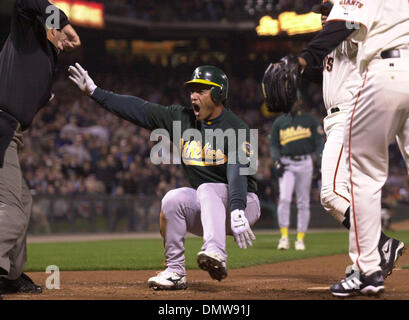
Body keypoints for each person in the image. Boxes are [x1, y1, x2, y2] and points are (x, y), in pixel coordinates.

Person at [68, 63, 261, 290]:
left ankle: (216, 252)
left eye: (201, 90)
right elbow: (139, 109)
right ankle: (175, 272)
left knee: (208, 188)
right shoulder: (180, 118)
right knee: (173, 199)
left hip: (243, 205)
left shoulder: (237, 127)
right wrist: (95, 91)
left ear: (219, 93)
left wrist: (237, 207)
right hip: (209, 207)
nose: (193, 95)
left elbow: (237, 169)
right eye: (192, 90)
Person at [296, 0, 409, 297]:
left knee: (333, 192)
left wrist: (302, 58)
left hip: (354, 110)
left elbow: (347, 23)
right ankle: (377, 249)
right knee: (338, 191)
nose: (324, 16)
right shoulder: (334, 42)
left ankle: (375, 253)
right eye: (321, 13)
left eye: (326, 10)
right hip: (343, 113)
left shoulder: (349, 30)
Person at [0, 0, 81, 296]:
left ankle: (10, 276)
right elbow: (25, 2)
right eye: (56, 29)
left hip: (10, 133)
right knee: (10, 208)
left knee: (22, 201)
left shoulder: (46, 61)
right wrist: (64, 21)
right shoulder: (26, 34)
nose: (61, 37)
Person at [268, 100, 324, 251]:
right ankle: (284, 237)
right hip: (286, 162)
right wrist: (277, 161)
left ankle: (300, 239)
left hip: (305, 162)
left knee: (303, 202)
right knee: (285, 199)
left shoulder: (309, 120)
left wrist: (319, 163)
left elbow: (320, 142)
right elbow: (273, 144)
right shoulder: (280, 121)